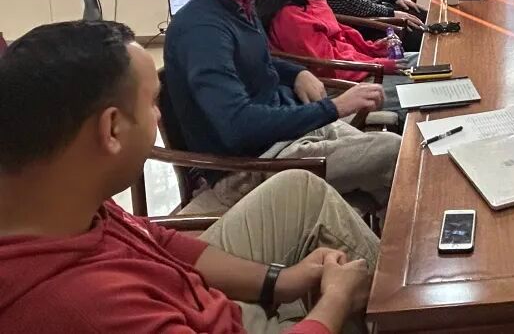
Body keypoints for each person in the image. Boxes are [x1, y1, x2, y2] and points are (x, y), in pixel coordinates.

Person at [0, 20, 377, 334]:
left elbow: (158, 241)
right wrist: (335, 301)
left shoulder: (63, 198)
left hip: (195, 298)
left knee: (299, 188)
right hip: (211, 315)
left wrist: (279, 280)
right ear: (112, 129)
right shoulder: (86, 306)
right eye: (151, 102)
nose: (159, 116)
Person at [164, 0, 402, 213]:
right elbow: (237, 125)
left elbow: (253, 62)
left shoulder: (237, 2)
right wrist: (334, 106)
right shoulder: (202, 28)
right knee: (393, 151)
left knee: (399, 158)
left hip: (287, 135)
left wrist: (296, 72)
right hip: (251, 166)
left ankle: (395, 234)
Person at [255, 0, 414, 115]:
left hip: (359, 67)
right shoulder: (289, 16)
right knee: (422, 86)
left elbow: (339, 34)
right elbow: (326, 66)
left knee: (429, 65)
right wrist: (377, 64)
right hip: (341, 85)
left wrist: (372, 48)